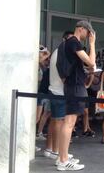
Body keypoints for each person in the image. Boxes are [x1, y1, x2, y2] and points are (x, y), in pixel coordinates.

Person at [56, 21, 96, 171]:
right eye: (88, 32)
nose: (89, 35)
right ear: (81, 29)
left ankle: (62, 156)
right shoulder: (74, 42)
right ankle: (63, 160)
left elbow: (89, 64)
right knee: (69, 122)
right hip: (74, 85)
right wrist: (92, 44)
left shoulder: (69, 43)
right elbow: (91, 62)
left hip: (72, 85)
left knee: (69, 122)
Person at [43, 31, 73, 161]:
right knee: (59, 122)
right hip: (59, 92)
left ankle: (51, 149)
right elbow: (64, 74)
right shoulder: (62, 52)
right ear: (64, 40)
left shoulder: (57, 51)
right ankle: (58, 152)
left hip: (54, 91)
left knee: (55, 121)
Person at [36, 45, 51, 142]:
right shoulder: (42, 65)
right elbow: (40, 60)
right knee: (37, 116)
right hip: (42, 93)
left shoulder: (46, 68)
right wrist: (45, 51)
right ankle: (34, 135)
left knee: (46, 114)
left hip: (47, 93)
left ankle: (39, 132)